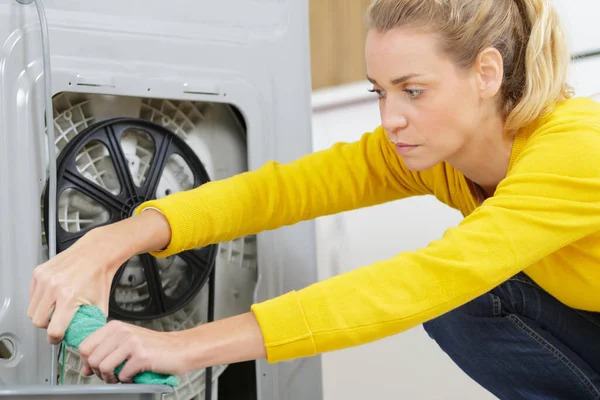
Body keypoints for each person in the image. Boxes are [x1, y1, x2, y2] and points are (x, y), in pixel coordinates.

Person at [27, 0, 600, 398]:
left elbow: (421, 281)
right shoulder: (435, 154)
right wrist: (110, 240)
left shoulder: (574, 151)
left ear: (487, 73)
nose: (391, 118)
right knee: (469, 301)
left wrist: (182, 347)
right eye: (381, 92)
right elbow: (278, 192)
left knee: (454, 293)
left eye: (414, 91)